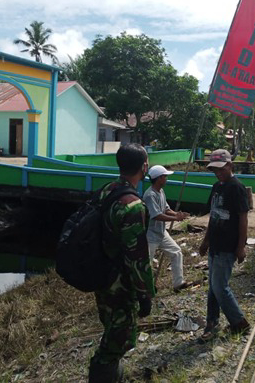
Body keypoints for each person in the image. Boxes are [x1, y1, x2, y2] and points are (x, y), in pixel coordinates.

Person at [89, 143, 156, 383]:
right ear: (144, 167)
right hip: (119, 283)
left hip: (101, 274)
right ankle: (102, 374)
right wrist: (145, 294)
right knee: (117, 339)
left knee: (111, 328)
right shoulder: (133, 205)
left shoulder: (107, 190)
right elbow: (137, 256)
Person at [199, 149, 250, 341]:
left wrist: (241, 246)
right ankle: (212, 321)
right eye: (215, 170)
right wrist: (206, 240)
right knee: (213, 286)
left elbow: (243, 218)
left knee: (220, 286)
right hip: (216, 243)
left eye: (221, 169)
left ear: (230, 166)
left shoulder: (236, 188)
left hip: (228, 245)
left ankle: (239, 322)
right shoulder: (217, 187)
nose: (218, 173)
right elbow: (213, 216)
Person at [143, 165, 193, 292]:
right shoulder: (150, 195)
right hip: (151, 235)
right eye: (165, 177)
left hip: (161, 232)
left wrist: (177, 214)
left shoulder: (161, 192)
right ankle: (144, 289)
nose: (166, 179)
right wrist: (175, 219)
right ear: (159, 178)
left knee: (176, 252)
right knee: (146, 263)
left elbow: (166, 209)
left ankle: (178, 283)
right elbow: (157, 215)